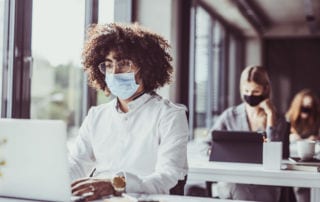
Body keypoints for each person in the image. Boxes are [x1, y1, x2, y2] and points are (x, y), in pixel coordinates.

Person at [69, 23, 189, 201]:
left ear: (147, 67)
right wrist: (55, 180)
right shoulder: (96, 115)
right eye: (108, 65)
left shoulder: (169, 115)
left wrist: (116, 184)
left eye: (124, 64)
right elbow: (77, 163)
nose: (115, 72)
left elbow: (168, 176)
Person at [210, 65, 288, 201]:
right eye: (246, 90)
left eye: (255, 91)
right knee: (238, 188)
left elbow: (275, 151)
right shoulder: (230, 115)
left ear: (265, 90)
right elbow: (207, 142)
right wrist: (211, 150)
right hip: (233, 178)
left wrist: (270, 116)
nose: (250, 95)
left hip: (265, 182)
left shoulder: (278, 119)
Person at [286, 89, 320, 202]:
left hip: (312, 160)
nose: (306, 109)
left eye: (309, 106)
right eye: (303, 106)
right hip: (292, 160)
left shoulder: (316, 121)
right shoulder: (289, 121)